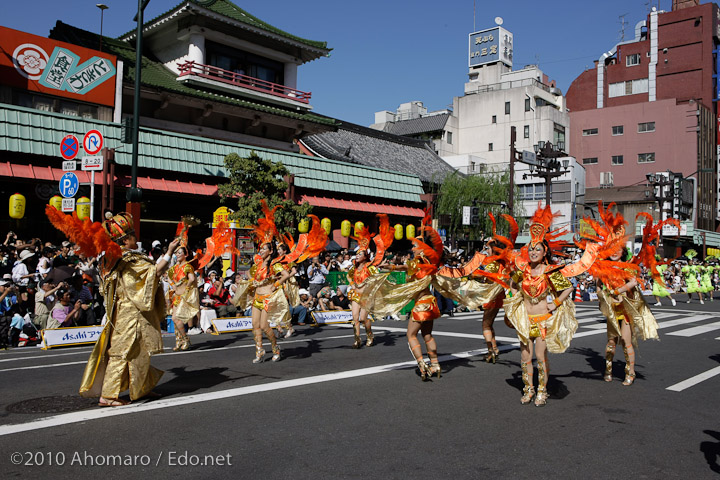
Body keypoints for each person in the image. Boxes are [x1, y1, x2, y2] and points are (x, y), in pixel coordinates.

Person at [45, 207, 180, 407]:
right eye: (132, 235)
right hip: (129, 312)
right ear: (125, 240)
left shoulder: (117, 258)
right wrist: (169, 253)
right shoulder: (128, 259)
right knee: (121, 351)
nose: (136, 238)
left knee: (140, 351)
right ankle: (108, 395)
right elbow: (154, 272)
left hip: (131, 311)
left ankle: (141, 387)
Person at [167, 245, 200, 350]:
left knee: (176, 318)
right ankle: (179, 341)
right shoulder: (175, 268)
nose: (177, 255)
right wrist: (173, 285)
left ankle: (185, 339)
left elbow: (191, 278)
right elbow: (168, 277)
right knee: (174, 319)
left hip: (183, 296)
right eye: (176, 253)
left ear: (185, 255)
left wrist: (187, 288)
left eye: (179, 253)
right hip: (176, 295)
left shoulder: (187, 266)